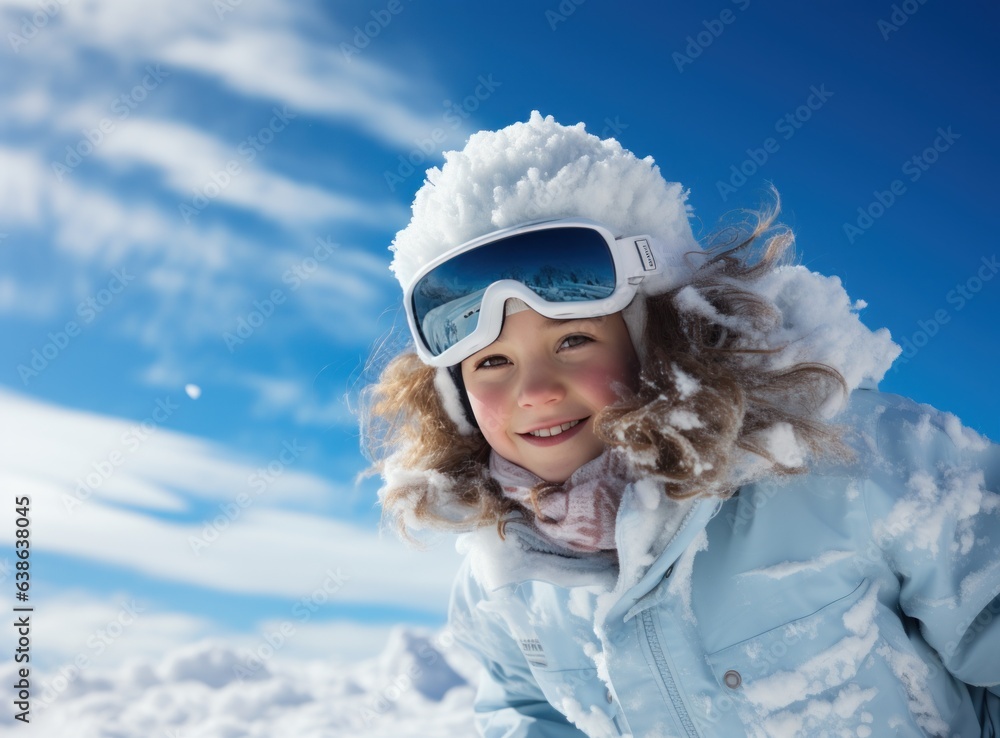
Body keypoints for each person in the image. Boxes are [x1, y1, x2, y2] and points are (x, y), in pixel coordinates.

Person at [362, 112, 1000, 737]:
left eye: (573, 341)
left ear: (656, 339)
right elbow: (527, 714)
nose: (534, 391)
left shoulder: (858, 461)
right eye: (493, 363)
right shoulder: (504, 576)